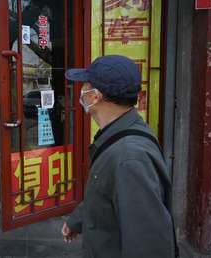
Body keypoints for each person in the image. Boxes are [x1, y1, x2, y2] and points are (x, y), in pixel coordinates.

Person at [61, 55, 176, 258]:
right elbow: (104, 191)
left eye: (84, 84)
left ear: (95, 96)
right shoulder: (119, 133)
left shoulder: (129, 157)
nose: (80, 91)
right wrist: (77, 221)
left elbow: (148, 244)